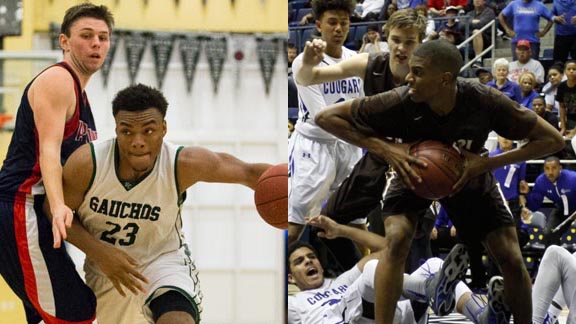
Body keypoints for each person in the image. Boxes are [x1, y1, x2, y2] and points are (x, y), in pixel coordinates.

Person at [315, 39, 564, 324]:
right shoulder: (400, 99)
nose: (409, 77)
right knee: (396, 240)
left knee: (509, 254)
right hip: (414, 171)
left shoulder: (484, 99)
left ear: (445, 80)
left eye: (418, 72)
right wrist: (388, 149)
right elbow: (327, 117)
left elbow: (552, 140)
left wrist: (486, 163)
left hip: (467, 174)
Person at [56, 84, 272, 324]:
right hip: (106, 270)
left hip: (163, 261)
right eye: (127, 132)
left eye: (148, 131)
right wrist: (100, 252)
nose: (137, 141)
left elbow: (249, 173)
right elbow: (55, 211)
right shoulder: (88, 163)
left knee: (177, 319)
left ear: (163, 129)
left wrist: (294, 199)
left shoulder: (183, 163)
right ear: (116, 130)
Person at [0, 4, 113, 323]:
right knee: (75, 312)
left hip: (31, 213)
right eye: (87, 36)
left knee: (48, 315)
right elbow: (47, 151)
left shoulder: (81, 94)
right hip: (21, 208)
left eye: (103, 38)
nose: (96, 44)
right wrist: (60, 204)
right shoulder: (58, 80)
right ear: (64, 41)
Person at [288, 215, 507, 324]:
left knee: (434, 266)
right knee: (374, 269)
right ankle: (430, 289)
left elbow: (387, 249)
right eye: (299, 261)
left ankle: (484, 316)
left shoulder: (340, 281)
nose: (308, 262)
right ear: (289, 277)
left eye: (311, 257)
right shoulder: (292, 303)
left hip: (392, 316)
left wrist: (341, 230)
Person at [288, 0, 364, 245]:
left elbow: (365, 108)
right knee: (295, 224)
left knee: (357, 222)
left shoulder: (357, 60)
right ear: (319, 25)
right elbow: (324, 118)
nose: (339, 28)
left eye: (344, 23)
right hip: (314, 147)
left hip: (350, 148)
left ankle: (367, 278)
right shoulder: (304, 62)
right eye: (332, 22)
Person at [522, 156, 576, 247]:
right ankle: (555, 258)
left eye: (554, 168)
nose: (550, 172)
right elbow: (535, 205)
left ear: (560, 168)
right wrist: (527, 194)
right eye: (547, 169)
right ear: (544, 169)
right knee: (549, 234)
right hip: (561, 208)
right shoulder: (541, 182)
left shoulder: (572, 178)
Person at [557, 60, 576, 138]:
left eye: (574, 69)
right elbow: (562, 107)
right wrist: (563, 127)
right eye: (569, 69)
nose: (571, 71)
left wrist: (575, 131)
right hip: (570, 119)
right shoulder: (561, 86)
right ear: (565, 71)